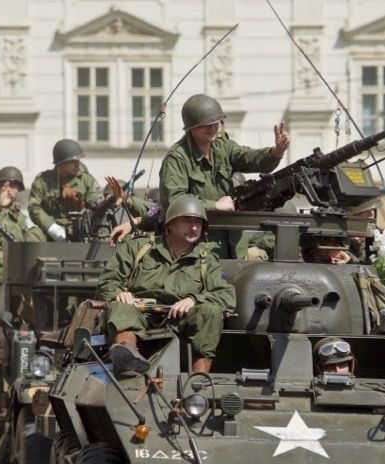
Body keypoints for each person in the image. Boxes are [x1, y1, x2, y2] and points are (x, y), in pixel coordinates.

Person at [98, 195, 236, 376]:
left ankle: (200, 378)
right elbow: (108, 280)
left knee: (211, 311)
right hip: (138, 314)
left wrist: (194, 299)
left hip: (178, 321)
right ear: (170, 224)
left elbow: (226, 295)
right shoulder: (139, 248)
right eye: (187, 220)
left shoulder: (207, 261)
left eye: (198, 222)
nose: (194, 227)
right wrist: (119, 293)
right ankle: (128, 354)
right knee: (119, 306)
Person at [158, 94, 289, 255]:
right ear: (192, 127)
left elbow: (250, 158)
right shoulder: (177, 158)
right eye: (207, 124)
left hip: (233, 243)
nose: (213, 127)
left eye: (217, 122)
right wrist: (215, 206)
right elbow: (175, 200)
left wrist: (276, 151)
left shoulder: (223, 147)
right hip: (200, 247)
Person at [0, 166, 48, 288]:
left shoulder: (20, 217)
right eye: (6, 186)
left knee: (36, 233)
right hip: (0, 272)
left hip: (20, 270)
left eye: (14, 186)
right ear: (0, 188)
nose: (9, 190)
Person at [28, 139, 103, 242]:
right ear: (60, 163)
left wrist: (87, 208)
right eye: (72, 161)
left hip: (81, 229)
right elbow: (34, 207)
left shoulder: (87, 181)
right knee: (33, 236)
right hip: (52, 228)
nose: (77, 164)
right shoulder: (42, 182)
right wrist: (52, 227)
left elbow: (97, 201)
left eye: (78, 160)